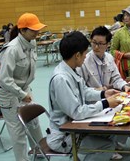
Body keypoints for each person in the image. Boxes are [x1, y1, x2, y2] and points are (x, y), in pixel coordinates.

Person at [47, 31, 124, 160]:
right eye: (84, 54)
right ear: (77, 55)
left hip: (75, 127)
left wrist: (103, 94)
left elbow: (85, 91)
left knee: (111, 130)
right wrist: (105, 103)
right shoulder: (61, 78)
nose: (86, 57)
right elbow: (77, 112)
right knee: (107, 145)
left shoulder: (70, 70)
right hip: (64, 136)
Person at [0, 13, 46, 161]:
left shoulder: (31, 43)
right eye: (33, 30)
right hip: (8, 93)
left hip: (23, 88)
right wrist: (21, 94)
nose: (37, 32)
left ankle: (40, 152)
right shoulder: (12, 49)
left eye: (38, 29)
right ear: (22, 31)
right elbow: (4, 79)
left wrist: (24, 92)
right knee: (18, 132)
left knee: (33, 122)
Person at [76, 26, 130, 93]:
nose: (96, 47)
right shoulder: (84, 61)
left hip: (109, 98)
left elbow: (116, 79)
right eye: (94, 42)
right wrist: (99, 90)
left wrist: (124, 86)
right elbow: (81, 88)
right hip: (93, 101)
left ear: (108, 44)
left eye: (100, 44)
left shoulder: (109, 58)